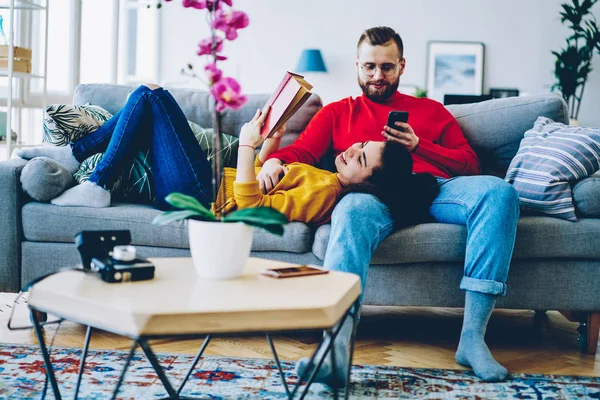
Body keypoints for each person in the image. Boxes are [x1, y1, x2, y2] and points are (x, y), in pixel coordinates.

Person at [256, 26, 520, 385]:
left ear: (401, 66)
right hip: (374, 197)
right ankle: (334, 347)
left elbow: (469, 165)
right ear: (357, 66)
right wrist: (273, 161)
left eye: (386, 67)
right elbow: (299, 152)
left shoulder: (430, 110)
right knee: (348, 210)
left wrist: (419, 146)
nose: (377, 76)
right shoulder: (337, 113)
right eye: (369, 67)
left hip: (437, 189)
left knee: (499, 193)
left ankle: (473, 339)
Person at [16, 84, 438, 228]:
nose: (350, 151)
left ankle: (94, 180)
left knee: (152, 98)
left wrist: (251, 146)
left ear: (370, 185)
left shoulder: (325, 193)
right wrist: (271, 136)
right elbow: (268, 182)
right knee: (146, 99)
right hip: (209, 181)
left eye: (361, 159)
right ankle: (79, 161)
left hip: (202, 197)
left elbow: (251, 208)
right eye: (361, 145)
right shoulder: (325, 176)